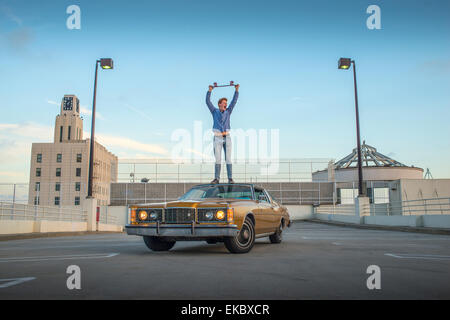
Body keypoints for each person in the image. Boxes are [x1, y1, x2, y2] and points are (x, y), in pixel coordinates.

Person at [206, 83, 239, 184]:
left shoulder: (228, 111)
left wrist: (236, 90)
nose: (225, 104)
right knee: (218, 159)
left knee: (228, 158)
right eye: (224, 102)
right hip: (217, 138)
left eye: (226, 103)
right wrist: (210, 91)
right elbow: (207, 102)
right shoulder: (214, 111)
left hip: (227, 137)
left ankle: (230, 178)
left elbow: (234, 102)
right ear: (219, 104)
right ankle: (217, 178)